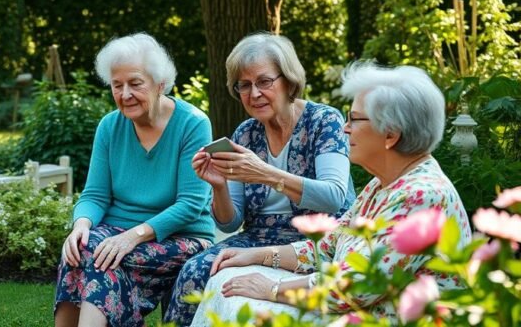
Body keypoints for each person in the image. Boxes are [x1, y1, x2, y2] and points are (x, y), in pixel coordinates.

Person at [190, 62, 472, 324]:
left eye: (354, 119)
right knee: (228, 282)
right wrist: (257, 255)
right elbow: (328, 246)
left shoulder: (421, 196)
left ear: (391, 134)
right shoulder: (382, 185)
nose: (345, 128)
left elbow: (355, 287)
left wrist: (273, 288)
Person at [166, 33, 354, 325]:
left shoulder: (324, 121)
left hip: (318, 239)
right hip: (258, 236)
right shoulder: (246, 133)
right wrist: (218, 186)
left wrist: (264, 173)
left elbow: (333, 197)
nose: (254, 94)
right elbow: (229, 222)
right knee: (195, 270)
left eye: (264, 82)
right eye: (244, 85)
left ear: (289, 81)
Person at [55, 33, 215, 327]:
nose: (125, 94)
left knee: (100, 255)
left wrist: (132, 237)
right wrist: (80, 227)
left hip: (181, 237)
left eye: (135, 83)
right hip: (117, 232)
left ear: (160, 84)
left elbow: (191, 204)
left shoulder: (193, 124)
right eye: (117, 85)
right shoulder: (109, 126)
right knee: (80, 249)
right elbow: (94, 195)